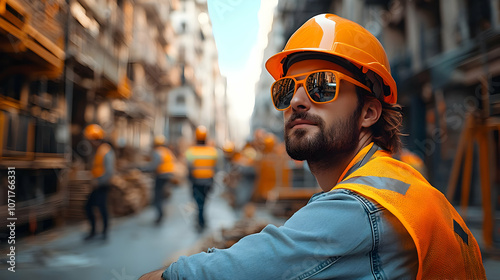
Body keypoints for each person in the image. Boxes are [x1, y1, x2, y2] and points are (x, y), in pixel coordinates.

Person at [140, 14, 485, 279]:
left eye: (322, 85)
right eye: (287, 89)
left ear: (368, 112)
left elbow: (232, 270)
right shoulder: (399, 184)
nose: (297, 102)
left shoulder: (361, 209)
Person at [83, 124, 115, 241]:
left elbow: (109, 171)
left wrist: (99, 181)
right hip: (97, 184)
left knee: (101, 208)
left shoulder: (106, 151)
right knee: (89, 207)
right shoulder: (98, 151)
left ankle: (103, 232)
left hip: (102, 185)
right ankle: (94, 231)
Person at [185, 125, 218, 232]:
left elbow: (189, 168)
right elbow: (216, 168)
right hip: (208, 181)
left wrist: (189, 179)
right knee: (203, 202)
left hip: (196, 182)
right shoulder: (212, 151)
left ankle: (201, 221)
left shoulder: (191, 151)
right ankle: (202, 220)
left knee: (199, 202)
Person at [137, 135, 177, 225]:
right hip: (168, 175)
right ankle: (161, 212)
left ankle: (160, 215)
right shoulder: (167, 151)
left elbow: (154, 165)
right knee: (163, 194)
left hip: (161, 175)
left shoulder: (157, 152)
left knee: (157, 196)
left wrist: (144, 169)